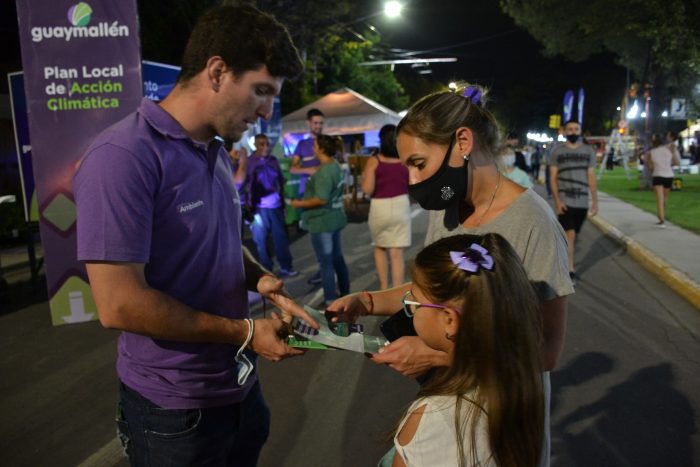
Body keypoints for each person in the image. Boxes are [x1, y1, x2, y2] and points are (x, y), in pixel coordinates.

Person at [73, 6, 318, 466]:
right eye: (261, 91)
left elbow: (220, 240)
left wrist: (259, 278)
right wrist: (245, 331)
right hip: (174, 412)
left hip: (239, 387)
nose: (266, 112)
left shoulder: (217, 150)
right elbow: (118, 303)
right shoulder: (122, 156)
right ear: (218, 71)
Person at [329, 83, 572, 467]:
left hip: (498, 425)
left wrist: (436, 356)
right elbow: (433, 288)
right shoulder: (448, 210)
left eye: (419, 164)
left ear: (462, 142)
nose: (412, 182)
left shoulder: (534, 223)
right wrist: (368, 300)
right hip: (450, 412)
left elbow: (543, 352)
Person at [378, 233, 544, 467]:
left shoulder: (434, 417)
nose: (410, 308)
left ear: (449, 320)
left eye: (413, 303)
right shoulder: (518, 383)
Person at [290, 135, 350, 307]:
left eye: (315, 146)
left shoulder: (324, 171)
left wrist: (297, 203)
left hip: (322, 221)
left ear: (322, 149)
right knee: (337, 258)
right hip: (335, 218)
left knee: (326, 262)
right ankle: (345, 292)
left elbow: (320, 199)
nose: (313, 149)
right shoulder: (334, 165)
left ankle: (330, 299)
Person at [361, 124, 411, 290]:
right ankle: (397, 292)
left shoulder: (374, 161)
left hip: (379, 207)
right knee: (397, 254)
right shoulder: (405, 159)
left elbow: (367, 189)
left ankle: (383, 288)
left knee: (380, 247)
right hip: (401, 205)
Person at [549, 119, 598, 283]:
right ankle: (569, 270)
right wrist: (557, 201)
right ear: (565, 132)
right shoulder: (557, 152)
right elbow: (553, 178)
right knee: (569, 235)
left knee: (574, 235)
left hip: (582, 202)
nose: (573, 132)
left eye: (576, 129)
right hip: (565, 201)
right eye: (570, 129)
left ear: (580, 131)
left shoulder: (588, 151)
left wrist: (595, 201)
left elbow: (591, 177)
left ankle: (561, 259)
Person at [243, 133, 299, 276]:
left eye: (267, 144)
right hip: (258, 209)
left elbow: (280, 182)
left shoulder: (273, 160)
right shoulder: (249, 162)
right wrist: (247, 206)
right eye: (261, 144)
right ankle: (267, 271)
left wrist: (284, 204)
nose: (265, 147)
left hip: (275, 206)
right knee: (260, 242)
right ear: (255, 145)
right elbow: (243, 185)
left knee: (281, 238)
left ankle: (286, 267)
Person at [290, 108, 325, 284]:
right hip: (307, 194)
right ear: (308, 123)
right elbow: (293, 168)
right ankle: (323, 269)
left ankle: (326, 271)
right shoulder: (302, 145)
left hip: (324, 194)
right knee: (315, 235)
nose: (318, 126)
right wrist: (309, 169)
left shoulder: (327, 142)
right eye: (315, 123)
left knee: (326, 234)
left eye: (320, 123)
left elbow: (335, 164)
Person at [645, 133, 680, 227]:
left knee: (659, 199)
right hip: (669, 176)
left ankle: (661, 219)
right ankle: (661, 216)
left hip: (658, 176)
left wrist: (653, 167)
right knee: (664, 198)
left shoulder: (651, 152)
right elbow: (676, 162)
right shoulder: (669, 150)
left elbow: (650, 166)